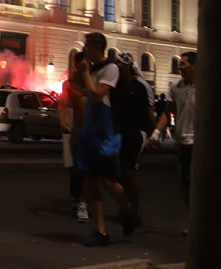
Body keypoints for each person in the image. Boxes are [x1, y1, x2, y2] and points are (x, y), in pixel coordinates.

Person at [76, 32, 136, 247]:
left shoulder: (111, 68)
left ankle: (128, 211)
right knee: (91, 179)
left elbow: (96, 95)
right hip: (90, 131)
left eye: (87, 46)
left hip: (106, 132)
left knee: (109, 180)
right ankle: (101, 230)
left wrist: (84, 75)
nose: (84, 50)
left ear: (97, 47)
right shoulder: (91, 69)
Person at [150, 50, 197, 230]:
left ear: (194, 66)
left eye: (183, 63)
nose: (179, 67)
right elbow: (169, 111)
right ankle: (192, 220)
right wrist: (157, 131)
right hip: (182, 143)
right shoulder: (176, 87)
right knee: (186, 182)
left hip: (200, 144)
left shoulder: (208, 86)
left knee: (200, 183)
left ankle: (202, 219)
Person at [112, 52, 155, 225]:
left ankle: (134, 208)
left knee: (130, 172)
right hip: (118, 133)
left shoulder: (139, 87)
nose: (118, 67)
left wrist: (153, 133)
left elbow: (149, 112)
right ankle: (126, 206)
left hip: (134, 133)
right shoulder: (115, 86)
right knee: (118, 173)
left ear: (128, 66)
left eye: (120, 64)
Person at [58, 51, 88, 222]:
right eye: (81, 64)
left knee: (90, 169)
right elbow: (62, 103)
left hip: (93, 129)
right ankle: (80, 200)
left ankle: (84, 200)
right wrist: (63, 123)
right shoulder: (70, 84)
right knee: (78, 167)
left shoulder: (96, 82)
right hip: (78, 128)